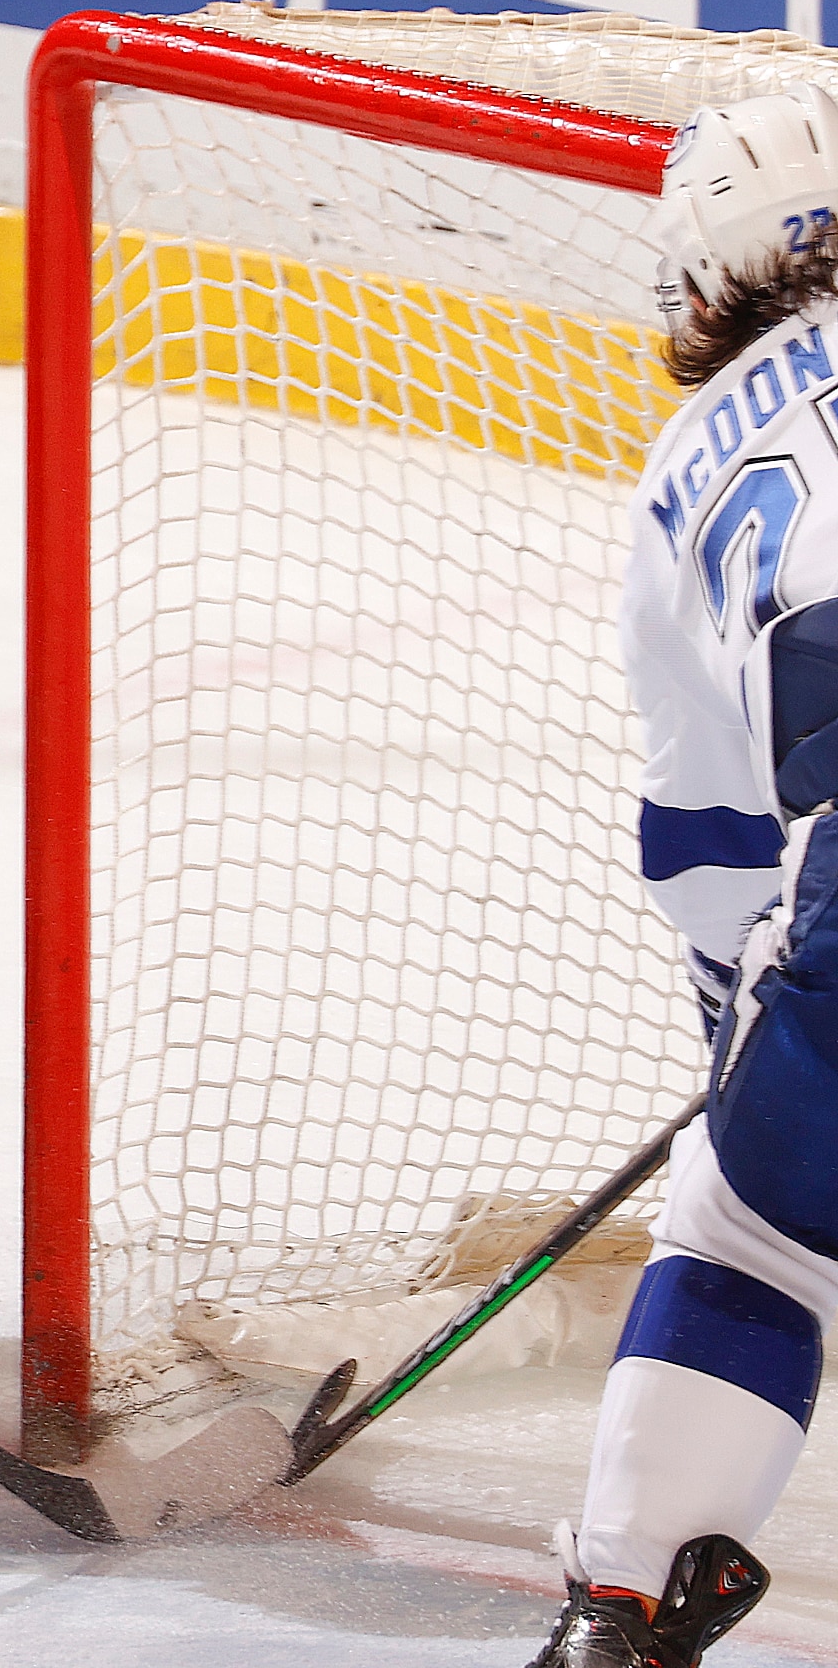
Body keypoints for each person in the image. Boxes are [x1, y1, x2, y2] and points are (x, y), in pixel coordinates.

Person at [531, 88, 838, 1664]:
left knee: (749, 1241)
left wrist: (744, 1044)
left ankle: (629, 1608)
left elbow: (708, 843)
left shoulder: (686, 469)